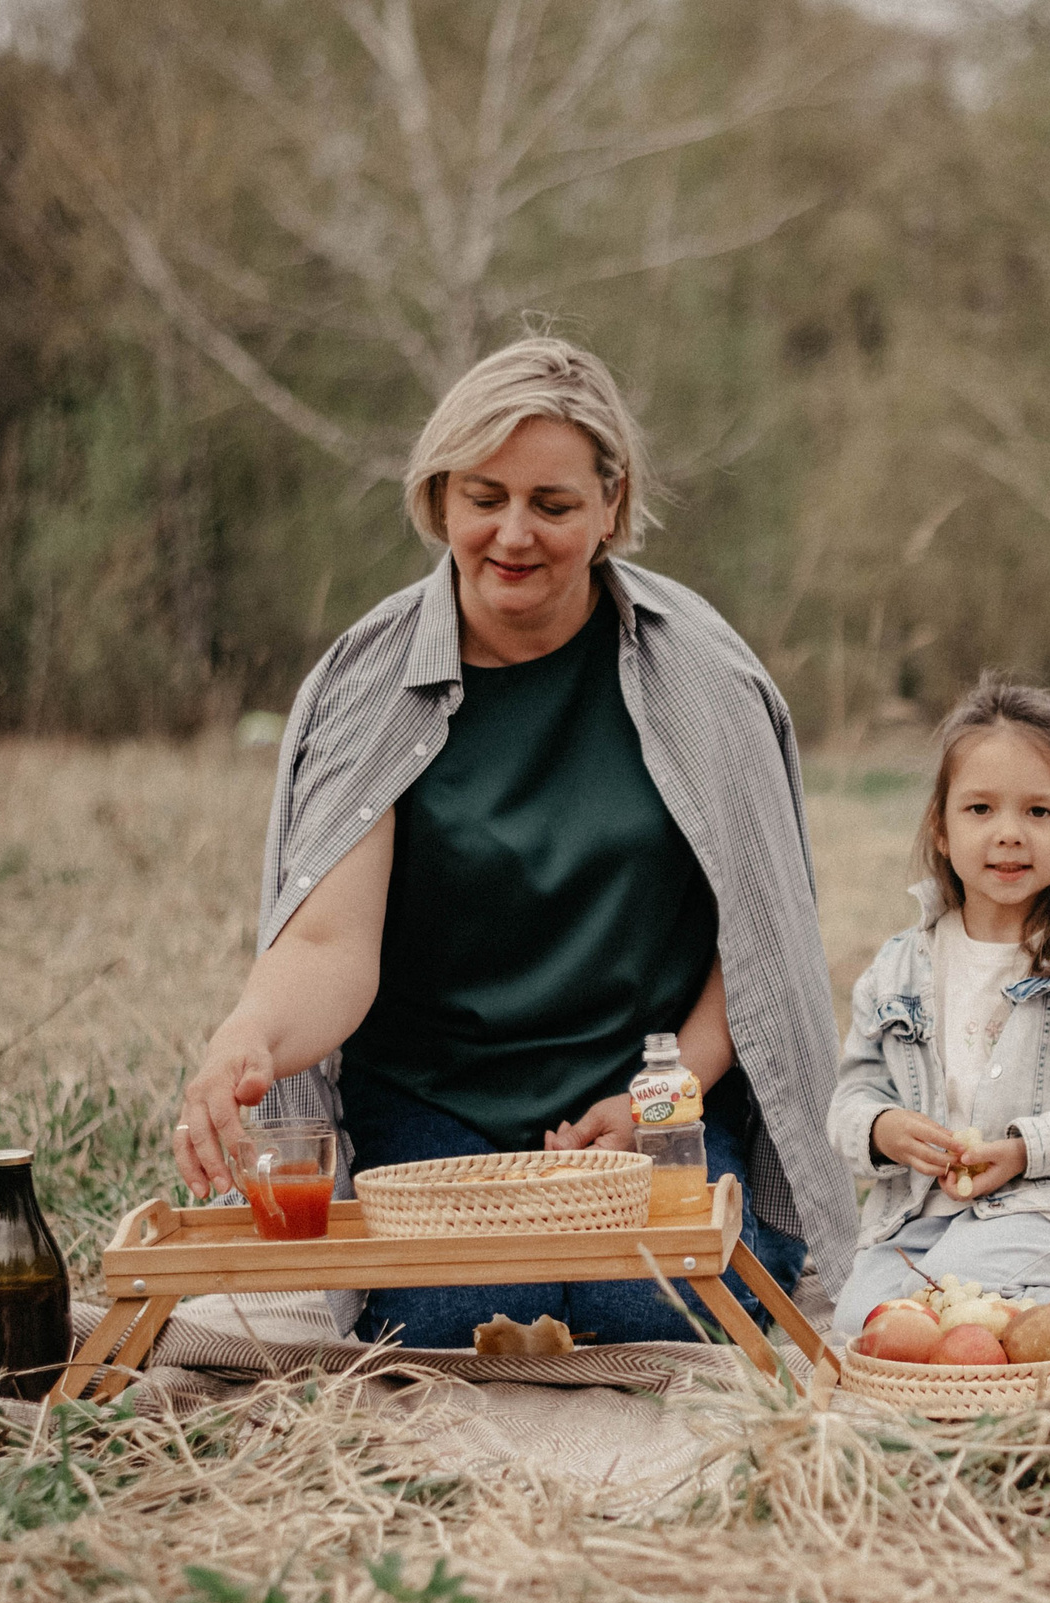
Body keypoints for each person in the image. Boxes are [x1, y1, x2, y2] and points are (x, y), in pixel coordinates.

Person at [169, 336, 854, 1346]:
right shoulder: (370, 684)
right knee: (459, 1319)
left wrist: (658, 1098)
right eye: (483, 496)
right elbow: (328, 947)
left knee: (650, 1312)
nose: (513, 534)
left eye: (554, 503)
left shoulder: (704, 675)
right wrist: (248, 1038)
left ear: (611, 506)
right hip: (437, 1108)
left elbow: (754, 945)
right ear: (439, 497)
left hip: (651, 1100)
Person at [827, 679, 1050, 1333]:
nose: (1009, 834)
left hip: (1049, 1205)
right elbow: (852, 1092)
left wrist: (1025, 1149)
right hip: (922, 1212)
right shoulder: (898, 968)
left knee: (939, 1305)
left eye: (1039, 812)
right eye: (981, 809)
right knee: (861, 1324)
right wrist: (882, 1128)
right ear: (941, 825)